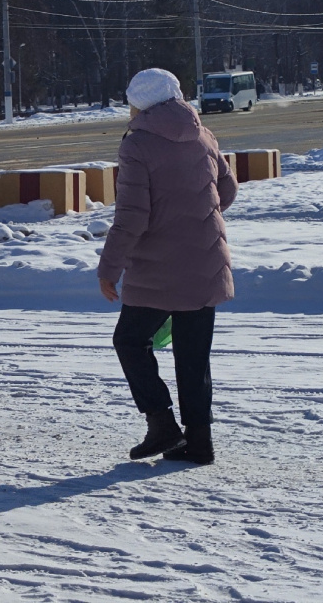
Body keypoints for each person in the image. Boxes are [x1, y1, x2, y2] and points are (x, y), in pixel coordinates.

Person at [99, 68, 238, 466]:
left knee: (129, 342)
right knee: (194, 358)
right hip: (206, 262)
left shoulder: (137, 145)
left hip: (159, 269)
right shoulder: (203, 134)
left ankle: (161, 425)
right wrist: (194, 219)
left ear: (138, 103)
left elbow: (132, 218)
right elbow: (226, 190)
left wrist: (109, 269)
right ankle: (199, 444)